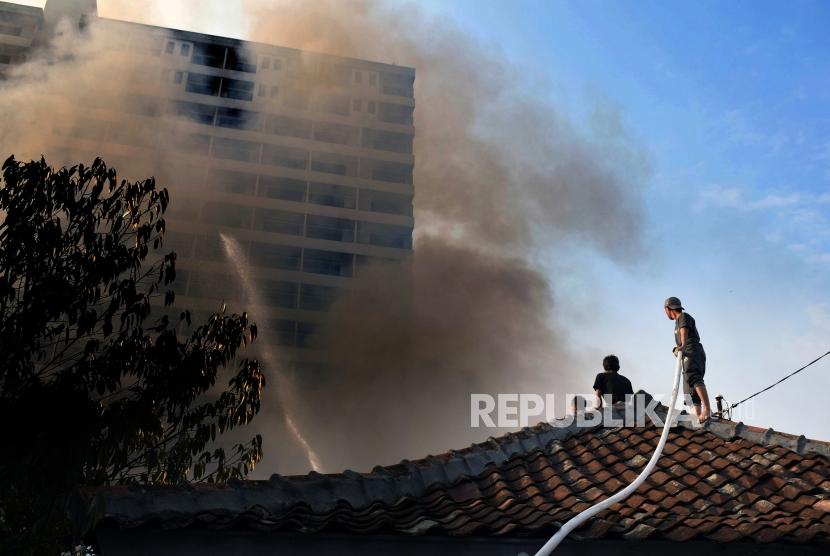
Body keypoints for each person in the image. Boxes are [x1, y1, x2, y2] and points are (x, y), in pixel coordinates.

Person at [664, 296, 711, 423]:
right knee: (688, 388)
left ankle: (707, 409)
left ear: (668, 309)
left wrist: (682, 346)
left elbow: (684, 332)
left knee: (693, 376)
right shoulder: (677, 322)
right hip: (686, 353)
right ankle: (696, 414)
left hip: (692, 350)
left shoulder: (683, 317)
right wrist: (677, 349)